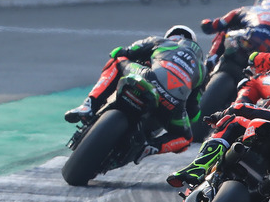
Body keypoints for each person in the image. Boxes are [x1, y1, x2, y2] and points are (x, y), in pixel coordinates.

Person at [64, 25, 206, 163]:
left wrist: (131, 56)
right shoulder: (202, 69)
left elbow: (120, 52)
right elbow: (194, 113)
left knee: (117, 61)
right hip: (172, 104)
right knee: (185, 139)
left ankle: (89, 105)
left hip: (147, 78)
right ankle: (151, 147)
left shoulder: (161, 42)